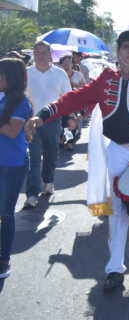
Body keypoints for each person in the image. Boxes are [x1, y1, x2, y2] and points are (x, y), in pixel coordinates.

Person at [25, 30, 129, 291]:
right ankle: (115, 269)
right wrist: (44, 114)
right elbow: (75, 97)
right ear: (118, 52)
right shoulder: (106, 79)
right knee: (118, 209)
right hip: (117, 151)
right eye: (125, 47)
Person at [24, 41, 72, 208]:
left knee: (51, 154)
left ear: (50, 54)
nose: (40, 56)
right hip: (31, 121)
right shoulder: (27, 73)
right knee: (34, 158)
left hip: (53, 121)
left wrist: (72, 116)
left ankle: (48, 180)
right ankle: (31, 194)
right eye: (37, 52)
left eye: (44, 52)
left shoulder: (59, 74)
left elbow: (68, 97)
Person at [0, 58, 32, 282]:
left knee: (5, 213)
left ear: (11, 78)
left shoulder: (21, 102)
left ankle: (3, 260)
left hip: (11, 164)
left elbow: (12, 132)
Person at [58, 55, 86, 150]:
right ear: (61, 64)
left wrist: (75, 86)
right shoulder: (58, 74)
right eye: (65, 62)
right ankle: (62, 138)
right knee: (63, 122)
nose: (67, 64)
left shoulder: (78, 75)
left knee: (72, 121)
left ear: (72, 63)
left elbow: (84, 89)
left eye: (69, 62)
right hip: (61, 102)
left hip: (75, 102)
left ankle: (70, 141)